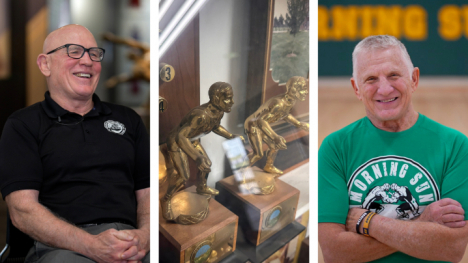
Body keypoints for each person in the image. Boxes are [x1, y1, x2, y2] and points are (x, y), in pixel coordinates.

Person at [0, 24, 149, 263]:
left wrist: (144, 237)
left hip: (132, 242)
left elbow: (148, 194)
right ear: (45, 64)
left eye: (94, 53)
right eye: (74, 51)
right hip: (61, 248)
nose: (87, 61)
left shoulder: (128, 120)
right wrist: (92, 245)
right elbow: (22, 211)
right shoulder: (23, 125)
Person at [318, 35, 468, 262]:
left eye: (393, 75)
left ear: (414, 79)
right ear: (356, 88)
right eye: (370, 79)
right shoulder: (335, 148)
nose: (385, 89)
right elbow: (334, 252)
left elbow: (452, 247)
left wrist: (367, 222)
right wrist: (422, 224)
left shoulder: (456, 146)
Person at [160, 82, 243, 221]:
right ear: (216, 99)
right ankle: (165, 199)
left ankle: (201, 187)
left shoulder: (218, 111)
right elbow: (181, 137)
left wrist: (230, 136)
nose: (232, 102)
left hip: (191, 139)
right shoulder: (200, 115)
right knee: (183, 176)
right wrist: (197, 157)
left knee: (207, 164)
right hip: (177, 142)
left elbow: (215, 126)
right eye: (228, 98)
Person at [244, 76, 309, 175]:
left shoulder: (290, 101)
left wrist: (299, 124)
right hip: (253, 125)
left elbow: (285, 115)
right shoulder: (278, 103)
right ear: (293, 90)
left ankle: (268, 166)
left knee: (275, 146)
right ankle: (241, 172)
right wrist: (275, 137)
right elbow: (261, 120)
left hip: (262, 124)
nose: (306, 92)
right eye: (303, 89)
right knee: (258, 154)